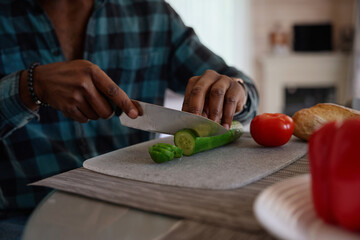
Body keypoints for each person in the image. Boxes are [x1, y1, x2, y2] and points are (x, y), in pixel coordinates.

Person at [0, 0, 258, 238]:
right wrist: (26, 88)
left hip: (139, 208)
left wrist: (235, 91)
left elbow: (243, 87)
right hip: (22, 217)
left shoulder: (151, 12)